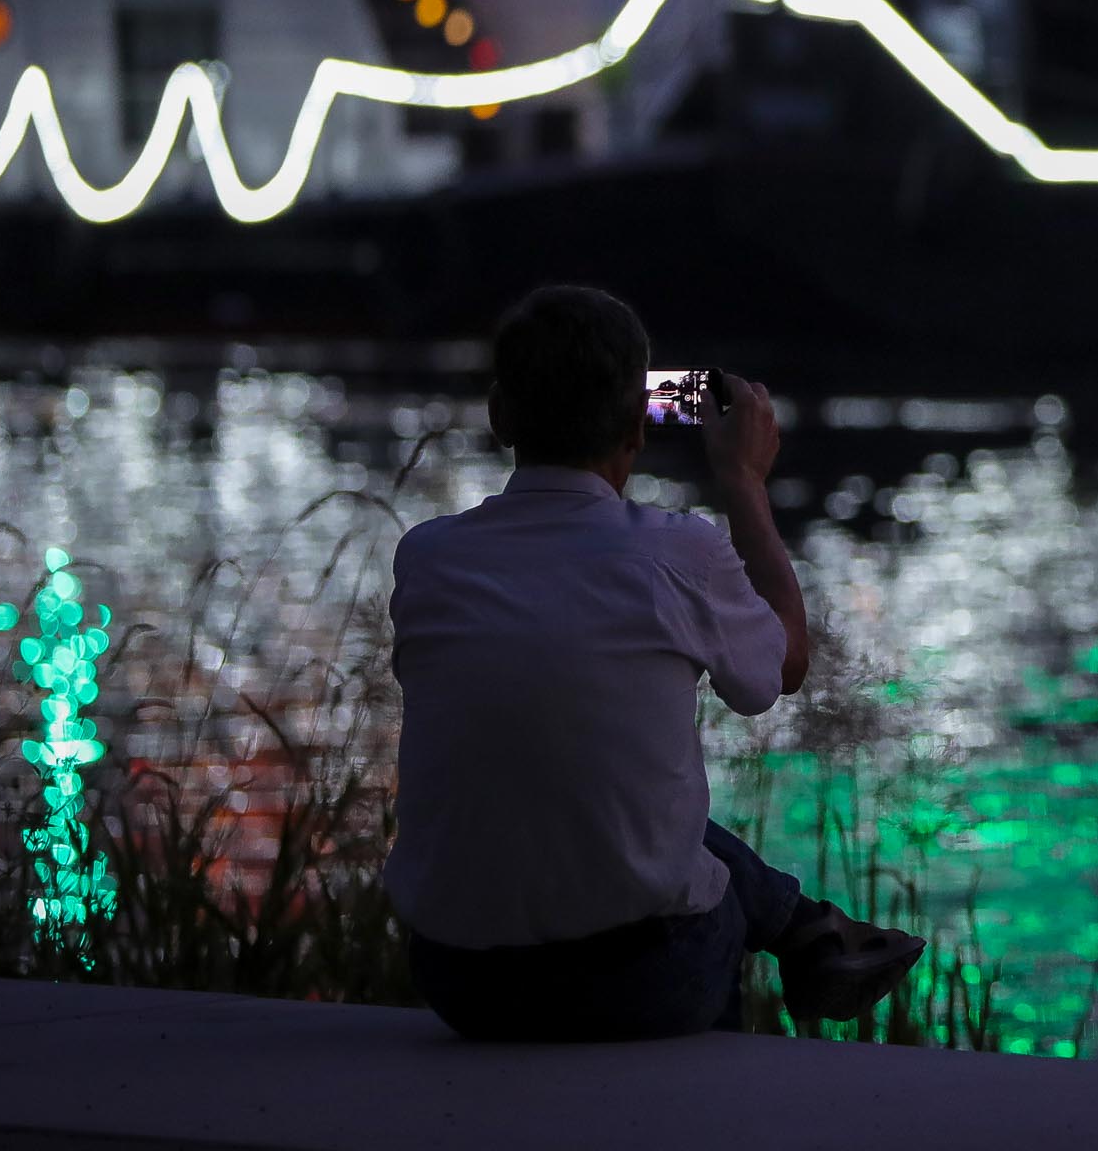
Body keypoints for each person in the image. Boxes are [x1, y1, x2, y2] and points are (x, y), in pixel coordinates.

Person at [386, 285, 922, 1040]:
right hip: (638, 982)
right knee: (695, 874)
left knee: (616, 804)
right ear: (639, 424)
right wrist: (744, 484)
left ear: (500, 415)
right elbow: (784, 666)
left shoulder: (428, 558)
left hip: (460, 980)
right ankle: (801, 942)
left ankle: (813, 931)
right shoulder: (679, 552)